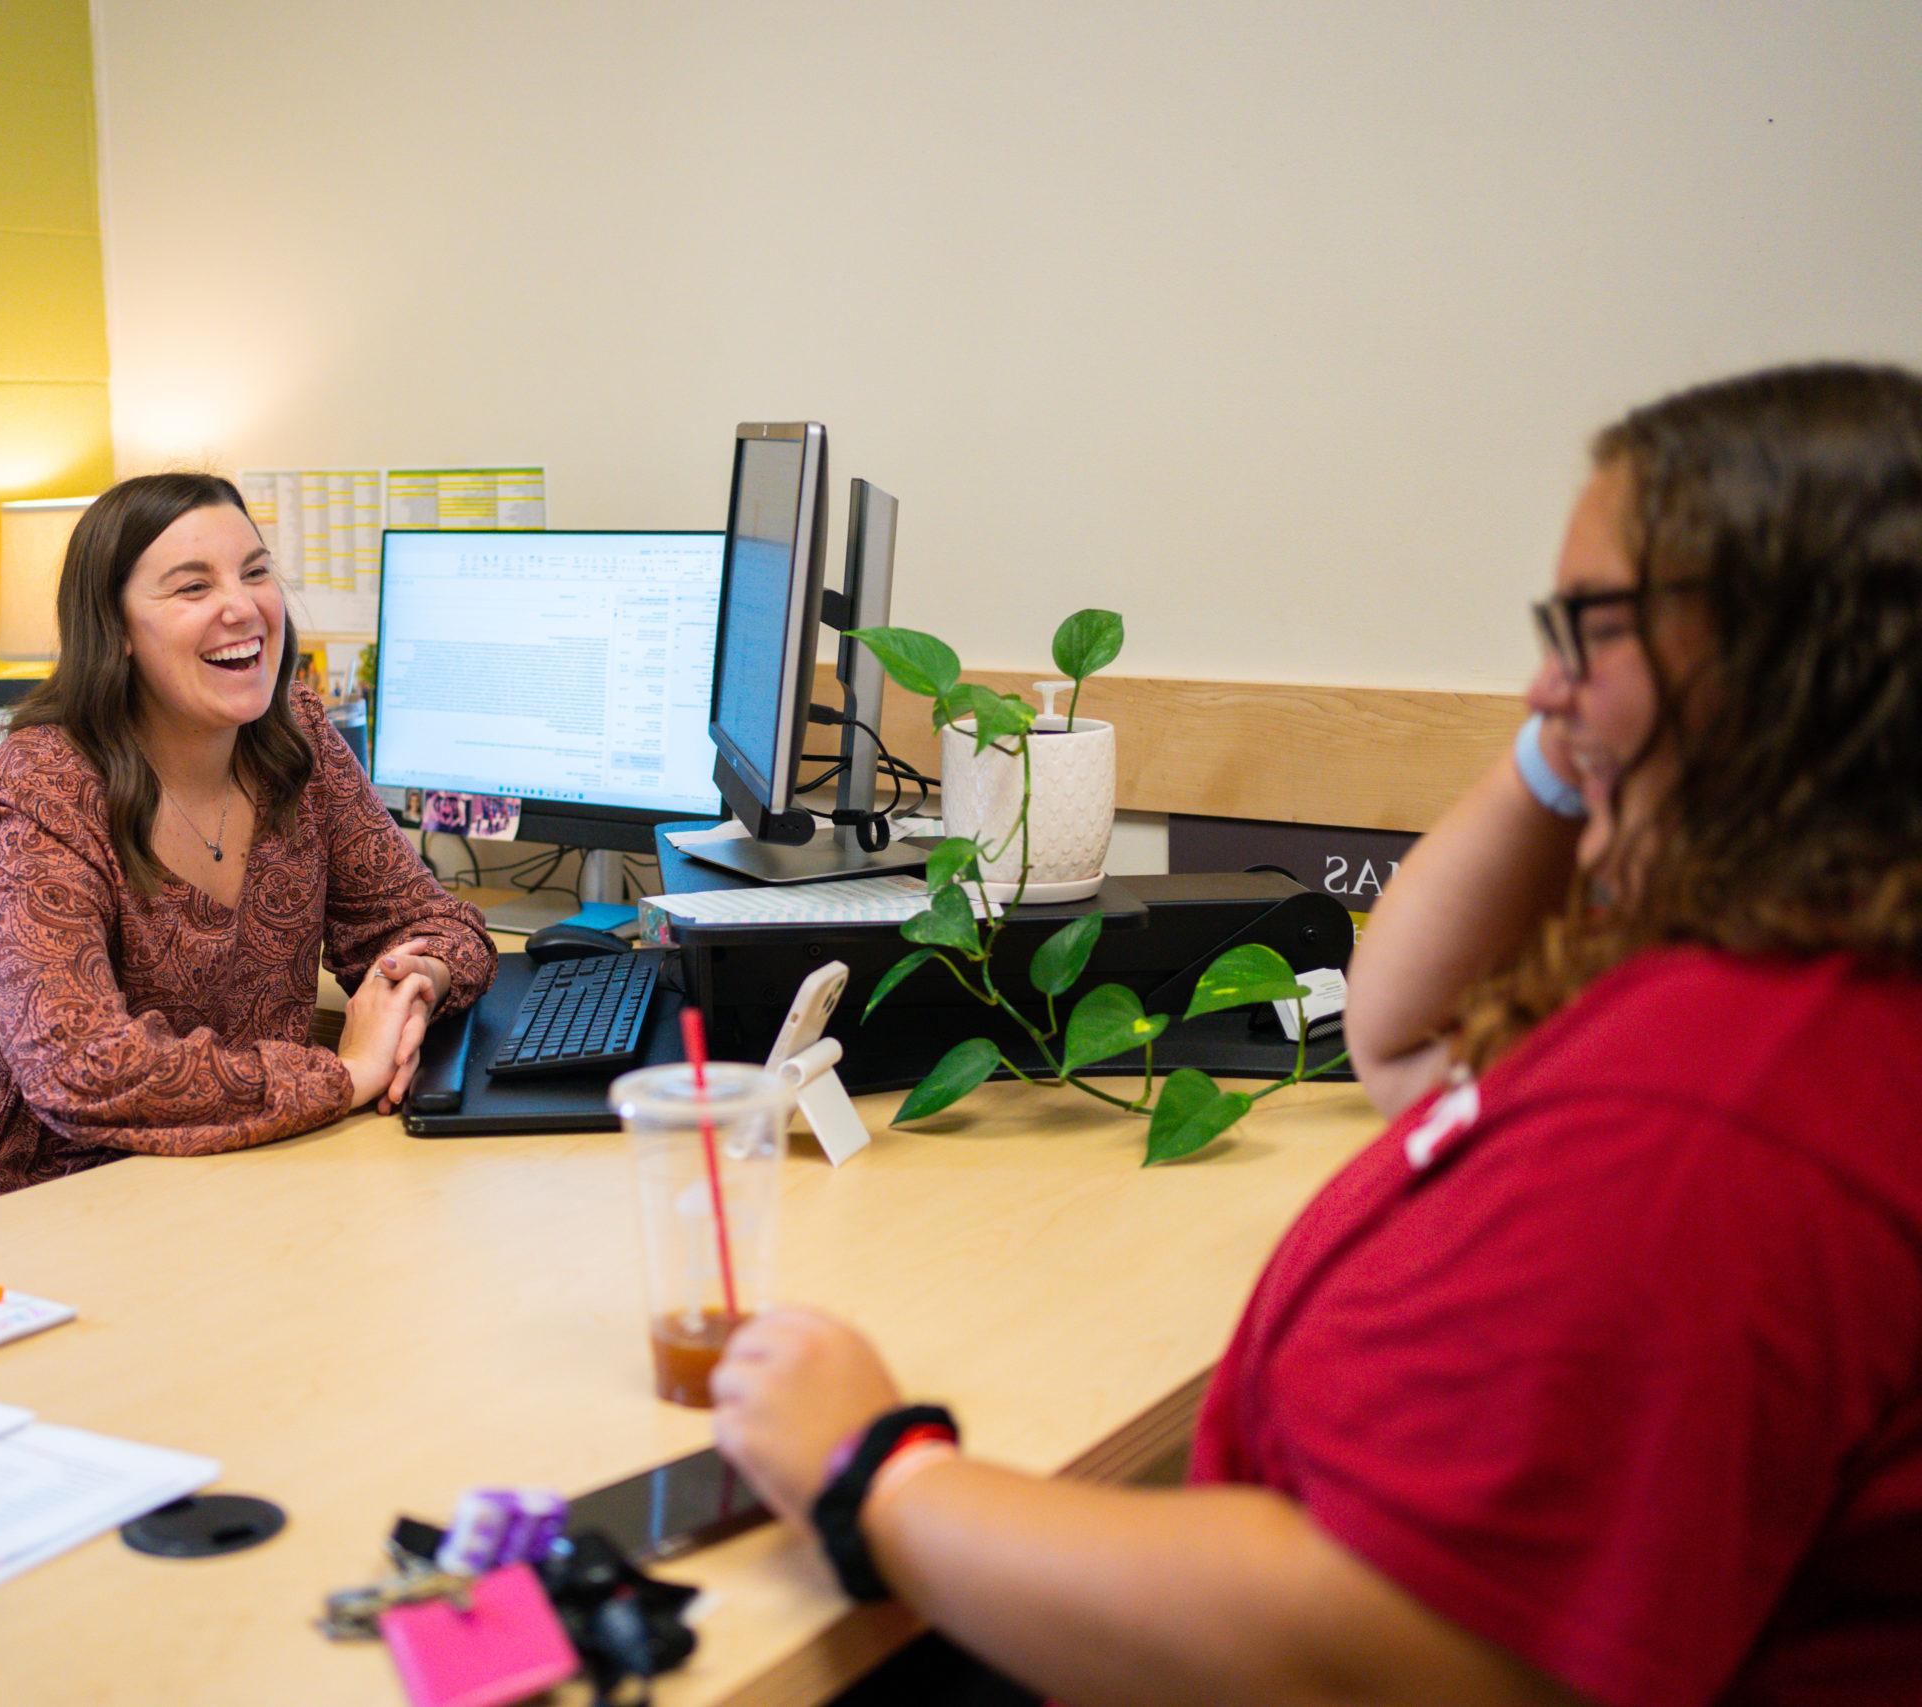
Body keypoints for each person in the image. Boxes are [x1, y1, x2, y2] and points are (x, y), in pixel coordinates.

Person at [711, 363, 1922, 1706]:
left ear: (1774, 669)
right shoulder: (1802, 989)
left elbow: (1389, 1647)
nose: (1541, 680)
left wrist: (879, 1472)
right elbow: (1403, 1035)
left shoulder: (1713, 1118)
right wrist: (1571, 741)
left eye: (1590, 628)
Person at [0, 472, 495, 1215]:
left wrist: (410, 986)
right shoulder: (34, 796)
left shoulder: (295, 740)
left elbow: (438, 924)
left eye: (255, 572)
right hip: (41, 1216)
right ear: (116, 629)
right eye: (192, 588)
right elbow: (83, 1068)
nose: (241, 605)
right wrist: (347, 1074)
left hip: (242, 1179)